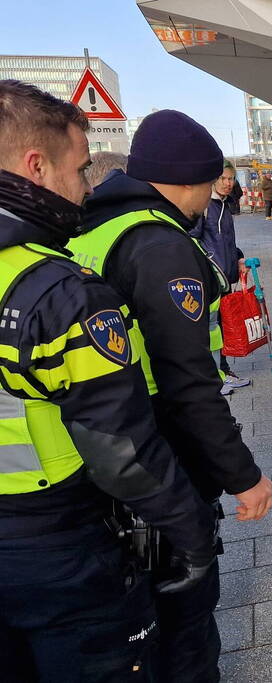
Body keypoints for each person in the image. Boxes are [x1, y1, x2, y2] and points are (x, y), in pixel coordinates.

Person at [0, 80, 217, 681]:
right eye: (79, 168)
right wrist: (194, 532)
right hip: (56, 541)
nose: (86, 187)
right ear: (35, 165)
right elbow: (121, 452)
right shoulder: (57, 293)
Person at [72, 110, 272, 682]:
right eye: (209, 184)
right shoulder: (158, 245)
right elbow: (188, 382)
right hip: (161, 448)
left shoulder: (94, 229)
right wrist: (242, 475)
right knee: (185, 609)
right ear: (187, 180)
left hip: (107, 444)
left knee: (141, 610)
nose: (208, 198)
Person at [190, 160, 252, 395]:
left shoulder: (226, 206)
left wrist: (238, 258)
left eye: (231, 179)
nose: (228, 183)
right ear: (214, 180)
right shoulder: (205, 206)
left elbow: (227, 242)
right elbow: (194, 240)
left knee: (221, 327)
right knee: (212, 328)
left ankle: (223, 372)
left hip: (225, 276)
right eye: (224, 178)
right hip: (210, 278)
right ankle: (217, 378)